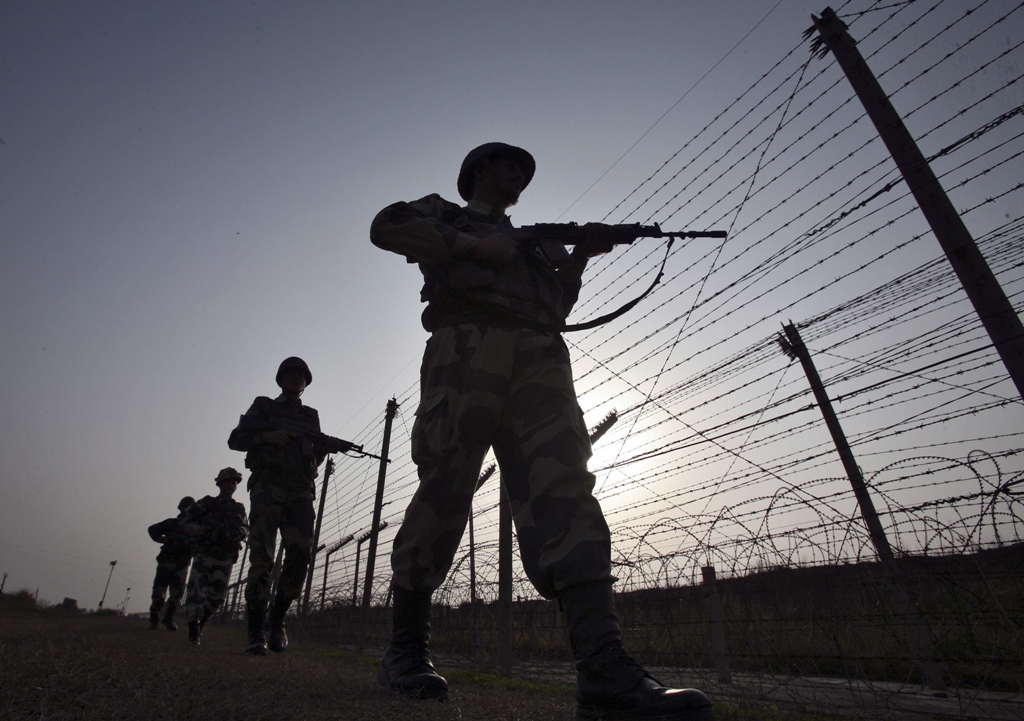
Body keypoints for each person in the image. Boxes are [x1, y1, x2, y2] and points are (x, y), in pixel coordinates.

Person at [369, 142, 714, 720]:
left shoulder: (540, 243)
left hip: (540, 356)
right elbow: (387, 226)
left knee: (565, 488)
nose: (521, 176)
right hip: (466, 345)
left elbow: (557, 306)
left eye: (526, 171)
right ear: (479, 170)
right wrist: (474, 245)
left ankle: (604, 669)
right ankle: (405, 652)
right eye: (512, 166)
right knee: (446, 488)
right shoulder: (446, 213)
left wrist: (578, 255)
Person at [228, 356, 347, 655]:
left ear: (306, 383)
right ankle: (255, 632)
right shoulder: (265, 406)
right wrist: (267, 436)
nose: (295, 379)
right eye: (290, 375)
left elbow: (312, 457)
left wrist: (323, 449)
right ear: (281, 380)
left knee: (300, 555)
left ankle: (276, 620)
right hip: (268, 487)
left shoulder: (311, 416)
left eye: (301, 376)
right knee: (262, 557)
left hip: (300, 491)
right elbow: (235, 439)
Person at [181, 467, 249, 645]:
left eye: (234, 482)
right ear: (220, 484)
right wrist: (200, 530)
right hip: (205, 553)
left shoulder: (238, 508)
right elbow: (185, 520)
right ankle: (194, 631)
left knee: (216, 597)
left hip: (225, 555)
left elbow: (244, 528)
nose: (231, 485)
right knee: (197, 593)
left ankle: (200, 624)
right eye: (228, 481)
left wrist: (236, 535)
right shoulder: (206, 504)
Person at [146, 495, 196, 630]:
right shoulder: (172, 523)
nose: (187, 511)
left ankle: (168, 618)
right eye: (185, 508)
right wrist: (163, 540)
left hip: (182, 563)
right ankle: (154, 618)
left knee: (177, 593)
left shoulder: (194, 527)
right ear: (180, 509)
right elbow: (152, 529)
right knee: (159, 591)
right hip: (166, 561)